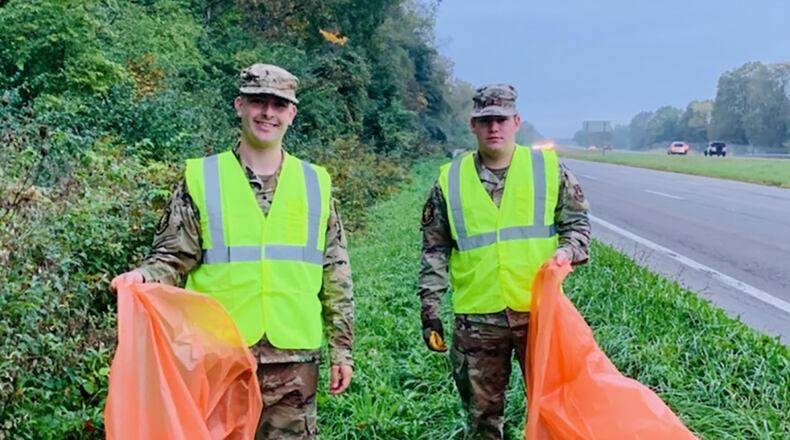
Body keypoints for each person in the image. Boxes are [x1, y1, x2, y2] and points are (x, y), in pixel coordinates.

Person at [111, 63, 354, 440]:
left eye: (278, 104)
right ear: (240, 105)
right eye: (258, 101)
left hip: (294, 360)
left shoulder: (315, 182)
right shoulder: (203, 177)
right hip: (220, 357)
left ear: (292, 113)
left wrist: (342, 350)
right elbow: (173, 257)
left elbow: (335, 271)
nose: (267, 113)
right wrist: (141, 277)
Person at [417, 84, 590, 439]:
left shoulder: (547, 168)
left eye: (501, 119)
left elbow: (577, 225)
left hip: (539, 314)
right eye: (485, 121)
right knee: (482, 418)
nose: (494, 128)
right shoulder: (450, 180)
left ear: (516, 122)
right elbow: (434, 248)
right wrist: (430, 307)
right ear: (473, 125)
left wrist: (566, 252)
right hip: (477, 319)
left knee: (552, 406)